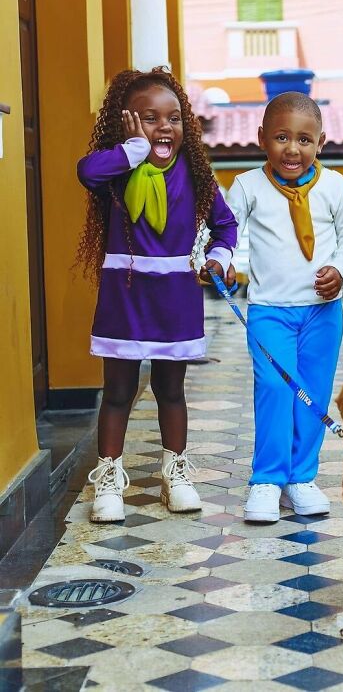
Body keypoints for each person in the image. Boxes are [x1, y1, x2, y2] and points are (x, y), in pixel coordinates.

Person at [76, 67, 238, 523]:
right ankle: (108, 478)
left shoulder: (196, 175)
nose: (164, 127)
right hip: (124, 297)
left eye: (173, 118)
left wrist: (219, 257)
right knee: (118, 392)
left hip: (175, 298)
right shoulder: (117, 170)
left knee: (171, 389)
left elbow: (225, 224)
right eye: (149, 118)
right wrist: (132, 152)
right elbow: (85, 170)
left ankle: (176, 473)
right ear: (127, 124)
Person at [227, 91, 343, 523]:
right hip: (270, 311)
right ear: (262, 139)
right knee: (273, 389)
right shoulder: (248, 186)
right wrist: (226, 264)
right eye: (282, 138)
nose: (293, 149)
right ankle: (267, 480)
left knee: (313, 393)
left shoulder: (335, 186)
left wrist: (341, 272)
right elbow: (226, 234)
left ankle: (301, 478)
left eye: (305, 140)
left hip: (322, 313)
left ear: (320, 143)